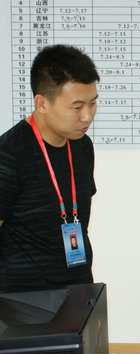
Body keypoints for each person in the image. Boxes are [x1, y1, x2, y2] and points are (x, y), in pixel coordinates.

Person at [0, 44, 99, 291]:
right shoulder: (9, 154)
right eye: (77, 107)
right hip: (22, 299)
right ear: (42, 103)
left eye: (92, 103)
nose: (87, 116)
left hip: (79, 289)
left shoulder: (82, 146)